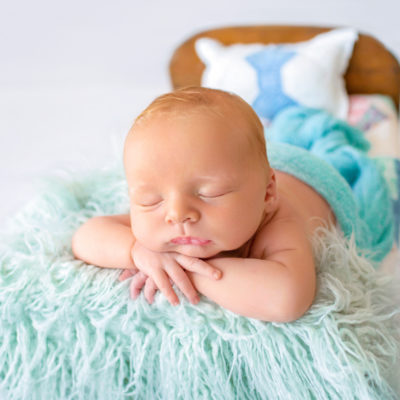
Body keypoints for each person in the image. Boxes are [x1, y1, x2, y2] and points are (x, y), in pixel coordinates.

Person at [71, 87, 336, 322]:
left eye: (209, 193)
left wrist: (185, 270)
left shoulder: (279, 222)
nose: (177, 214)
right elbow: (86, 237)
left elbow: (286, 299)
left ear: (267, 194)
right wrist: (135, 250)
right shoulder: (167, 211)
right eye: (151, 199)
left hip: (309, 178)